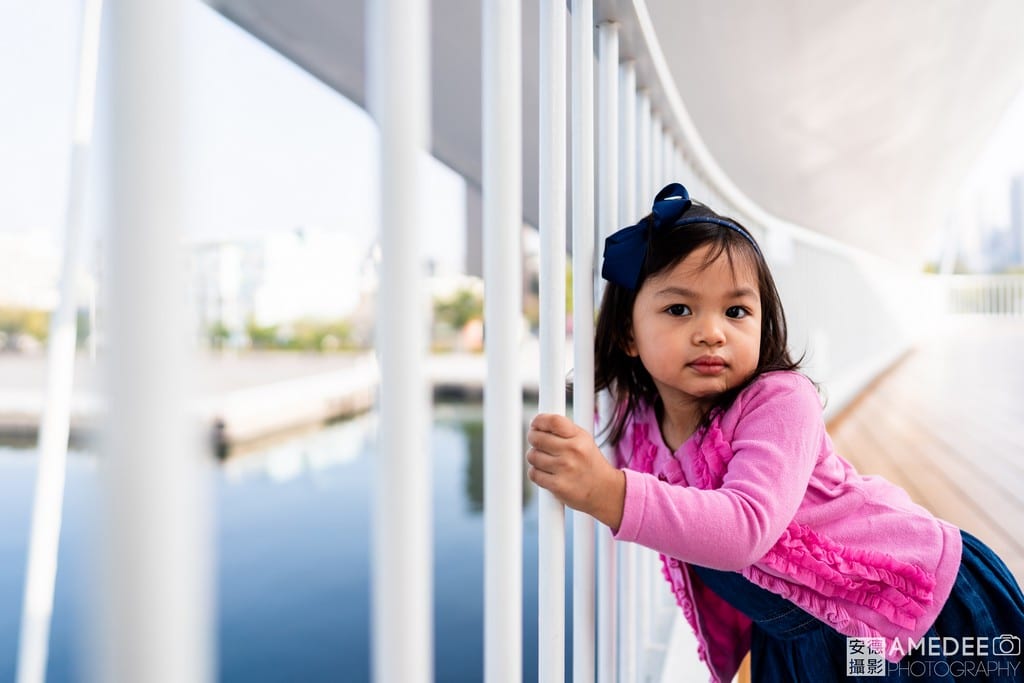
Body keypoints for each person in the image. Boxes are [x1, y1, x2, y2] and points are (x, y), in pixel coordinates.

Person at [525, 183, 1024, 682]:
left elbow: (744, 528)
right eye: (679, 309)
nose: (712, 332)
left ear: (762, 325)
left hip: (907, 608)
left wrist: (606, 493)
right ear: (627, 334)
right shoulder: (637, 422)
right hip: (806, 635)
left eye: (736, 311)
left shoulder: (780, 401)